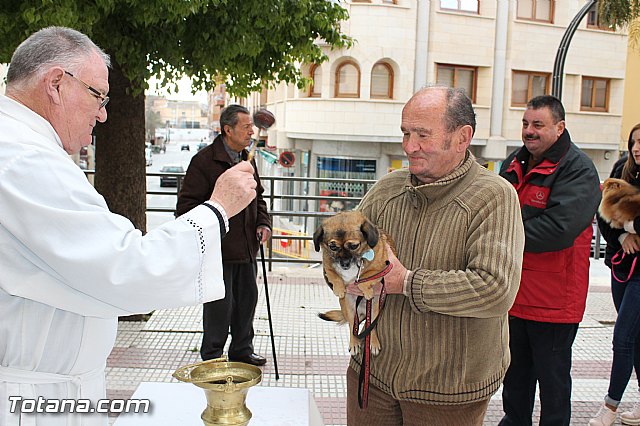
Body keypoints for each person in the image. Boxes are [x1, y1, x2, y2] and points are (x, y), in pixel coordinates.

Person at [0, 27, 257, 426]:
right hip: (34, 402)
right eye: (98, 96)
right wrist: (219, 208)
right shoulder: (23, 160)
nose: (103, 114)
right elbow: (125, 267)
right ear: (55, 83)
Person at [345, 86, 525, 425]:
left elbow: (495, 289)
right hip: (372, 376)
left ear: (462, 137)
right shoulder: (386, 189)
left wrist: (407, 283)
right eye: (406, 133)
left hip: (447, 393)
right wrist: (345, 273)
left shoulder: (495, 197)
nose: (410, 146)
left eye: (422, 135)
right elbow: (346, 246)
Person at [498, 95, 602, 425]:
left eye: (538, 125)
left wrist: (502, 234)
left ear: (560, 127)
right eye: (526, 124)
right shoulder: (513, 162)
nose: (529, 131)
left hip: (555, 303)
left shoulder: (579, 169)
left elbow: (558, 230)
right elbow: (494, 211)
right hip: (514, 296)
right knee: (514, 383)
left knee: (553, 388)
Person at [176, 105, 272, 366]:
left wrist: (263, 223)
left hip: (247, 248)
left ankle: (242, 349)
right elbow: (186, 207)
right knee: (219, 305)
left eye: (252, 126)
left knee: (246, 302)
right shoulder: (205, 161)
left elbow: (258, 197)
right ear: (228, 130)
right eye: (246, 127)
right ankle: (212, 355)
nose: (251, 131)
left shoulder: (246, 160)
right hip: (218, 250)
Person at [590, 123, 640, 426]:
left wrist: (631, 225)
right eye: (634, 142)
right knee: (635, 339)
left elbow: (619, 215)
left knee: (622, 337)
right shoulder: (622, 169)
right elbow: (603, 212)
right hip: (621, 265)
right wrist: (622, 236)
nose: (636, 147)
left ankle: (609, 407)